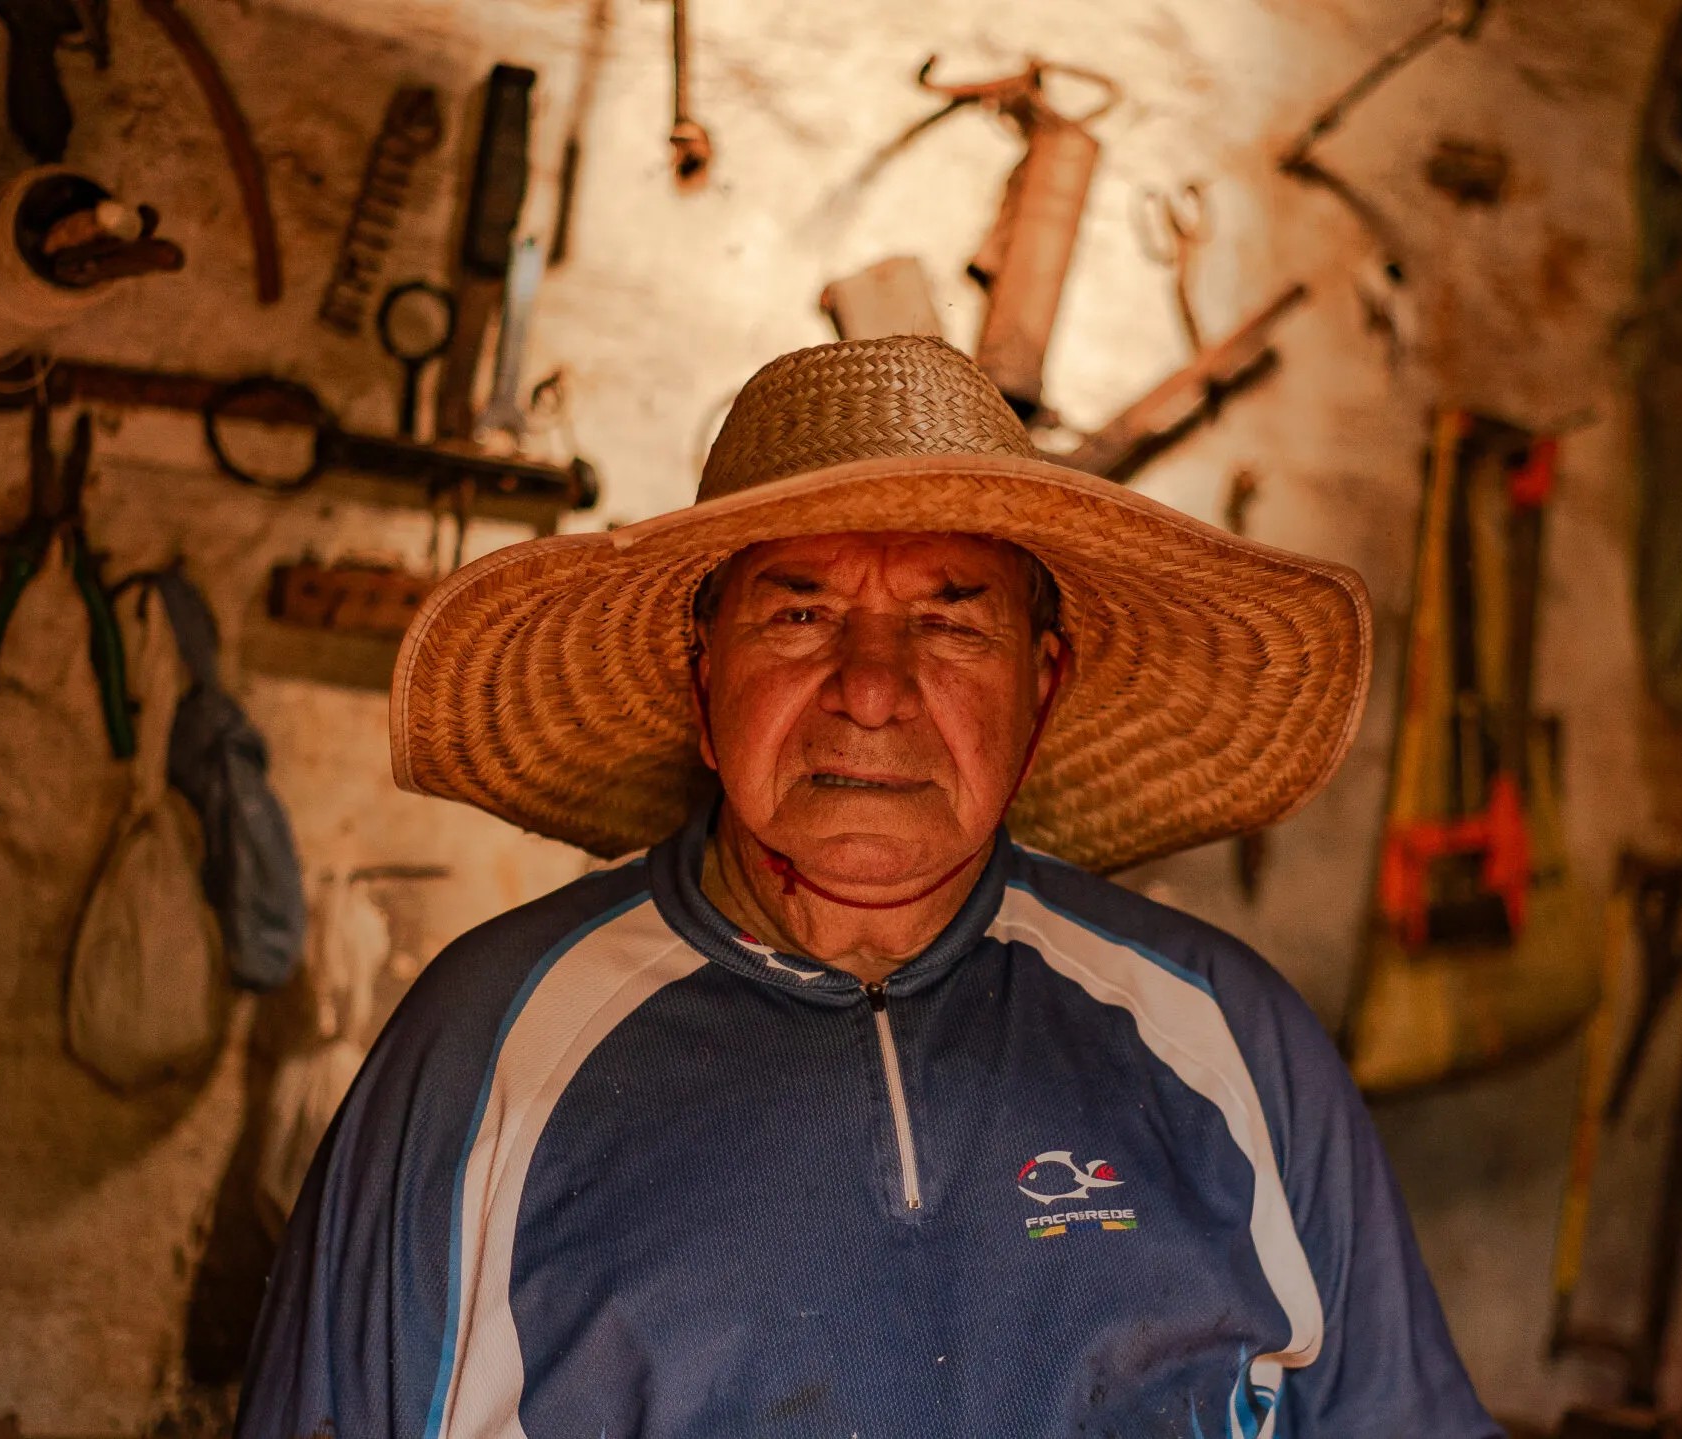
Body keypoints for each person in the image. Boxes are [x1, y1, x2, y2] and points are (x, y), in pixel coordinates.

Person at [238, 337, 1499, 1438]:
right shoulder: (490, 1044)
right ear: (700, 676)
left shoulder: (1223, 1035)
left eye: (953, 623)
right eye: (798, 617)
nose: (874, 687)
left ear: (1042, 684)